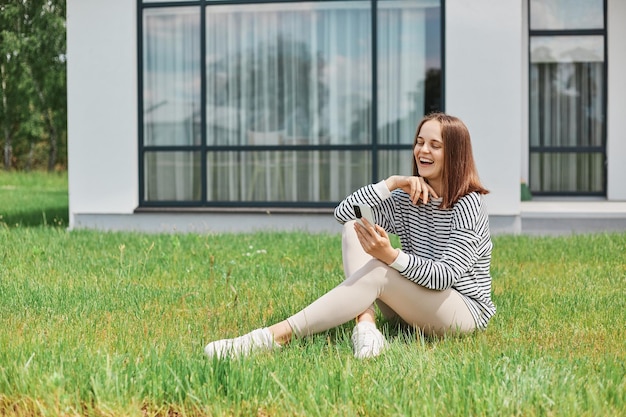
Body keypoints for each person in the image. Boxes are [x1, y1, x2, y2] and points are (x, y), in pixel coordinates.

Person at [204, 112, 496, 359]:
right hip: (414, 307)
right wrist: (390, 184)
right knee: (354, 228)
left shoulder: (468, 202)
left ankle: (273, 337)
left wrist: (391, 257)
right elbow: (344, 213)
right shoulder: (410, 196)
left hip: (461, 311)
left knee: (381, 271)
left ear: (454, 154)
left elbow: (445, 276)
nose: (423, 151)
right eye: (420, 142)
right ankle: (366, 326)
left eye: (435, 145)